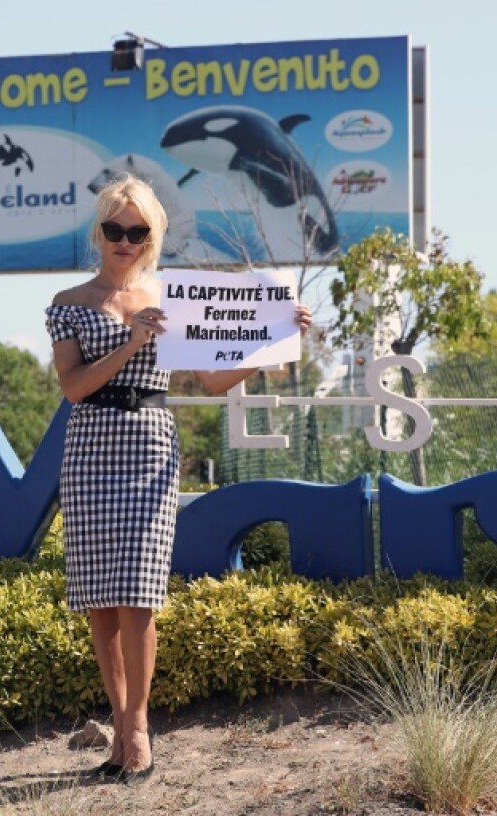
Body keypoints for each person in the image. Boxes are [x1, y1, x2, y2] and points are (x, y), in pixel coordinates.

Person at [45, 175, 312, 784]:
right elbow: (74, 386)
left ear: (153, 236)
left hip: (148, 444)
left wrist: (278, 335)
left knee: (139, 594)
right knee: (100, 602)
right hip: (90, 445)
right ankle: (118, 730)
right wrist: (134, 340)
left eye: (137, 231)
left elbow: (214, 383)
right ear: (100, 231)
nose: (125, 240)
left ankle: (137, 732)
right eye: (115, 228)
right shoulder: (69, 302)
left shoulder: (173, 297)